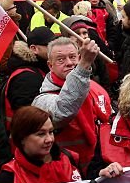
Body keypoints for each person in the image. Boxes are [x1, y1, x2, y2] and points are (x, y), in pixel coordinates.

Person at [32, 37, 108, 173]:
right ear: (50, 65)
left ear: (79, 57)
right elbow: (63, 110)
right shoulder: (42, 100)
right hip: (67, 174)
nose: (69, 63)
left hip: (100, 169)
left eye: (72, 57)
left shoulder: (96, 88)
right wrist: (84, 65)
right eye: (61, 59)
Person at [0, 106, 82, 183]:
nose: (49, 139)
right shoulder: (9, 175)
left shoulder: (70, 158)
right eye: (41, 134)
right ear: (22, 138)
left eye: (51, 132)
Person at [0, 26, 56, 131]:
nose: (55, 48)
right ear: (34, 48)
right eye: (50, 45)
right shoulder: (26, 78)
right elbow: (29, 119)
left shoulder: (39, 69)